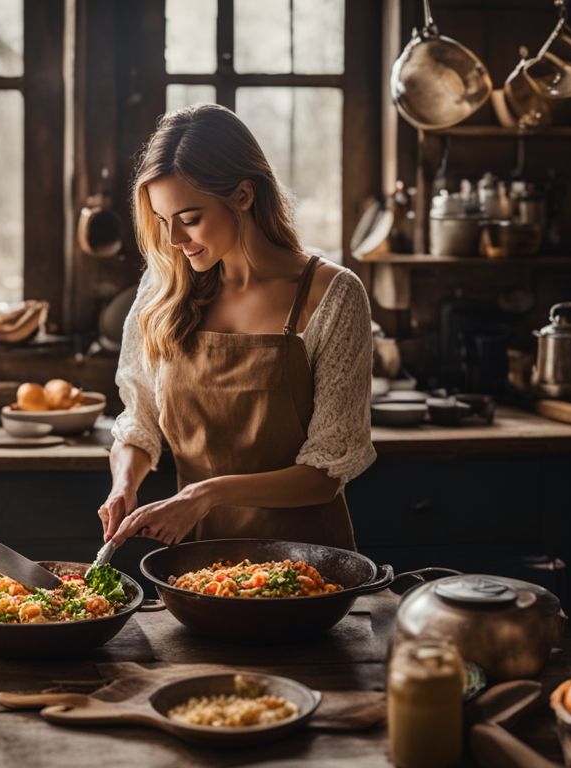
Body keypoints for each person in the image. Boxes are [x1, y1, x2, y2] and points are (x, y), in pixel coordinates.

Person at [100, 104, 375, 550]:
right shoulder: (164, 287)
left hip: (306, 567)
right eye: (163, 222)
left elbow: (324, 475)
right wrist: (123, 484)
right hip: (195, 567)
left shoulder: (333, 295)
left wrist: (205, 494)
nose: (173, 241)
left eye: (189, 219)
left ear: (244, 195)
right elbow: (140, 421)